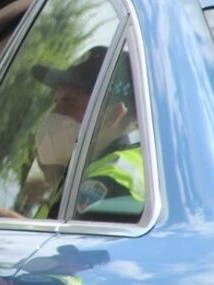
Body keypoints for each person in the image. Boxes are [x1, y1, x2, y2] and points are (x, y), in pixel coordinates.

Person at [28, 46, 144, 219]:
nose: (54, 114)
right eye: (56, 101)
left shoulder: (112, 185)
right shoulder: (79, 172)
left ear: (113, 115)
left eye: (69, 102)